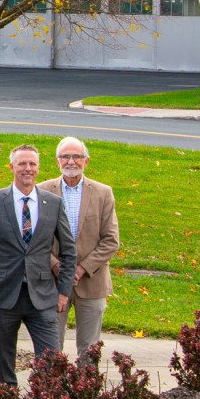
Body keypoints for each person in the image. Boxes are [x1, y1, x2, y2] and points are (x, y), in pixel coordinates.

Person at [0, 142, 76, 386]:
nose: (27, 169)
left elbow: (69, 251)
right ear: (11, 167)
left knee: (52, 363)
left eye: (32, 164)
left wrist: (64, 291)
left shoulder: (53, 203)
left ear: (39, 168)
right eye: (22, 164)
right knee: (4, 365)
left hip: (42, 296)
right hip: (3, 295)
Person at [38, 137, 121, 356]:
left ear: (87, 161)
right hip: (52, 282)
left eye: (77, 156)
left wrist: (81, 269)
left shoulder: (103, 193)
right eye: (66, 156)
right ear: (57, 161)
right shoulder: (41, 192)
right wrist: (57, 267)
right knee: (51, 348)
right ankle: (51, 391)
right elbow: (33, 239)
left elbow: (111, 240)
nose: (71, 162)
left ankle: (86, 391)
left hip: (91, 283)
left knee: (89, 349)